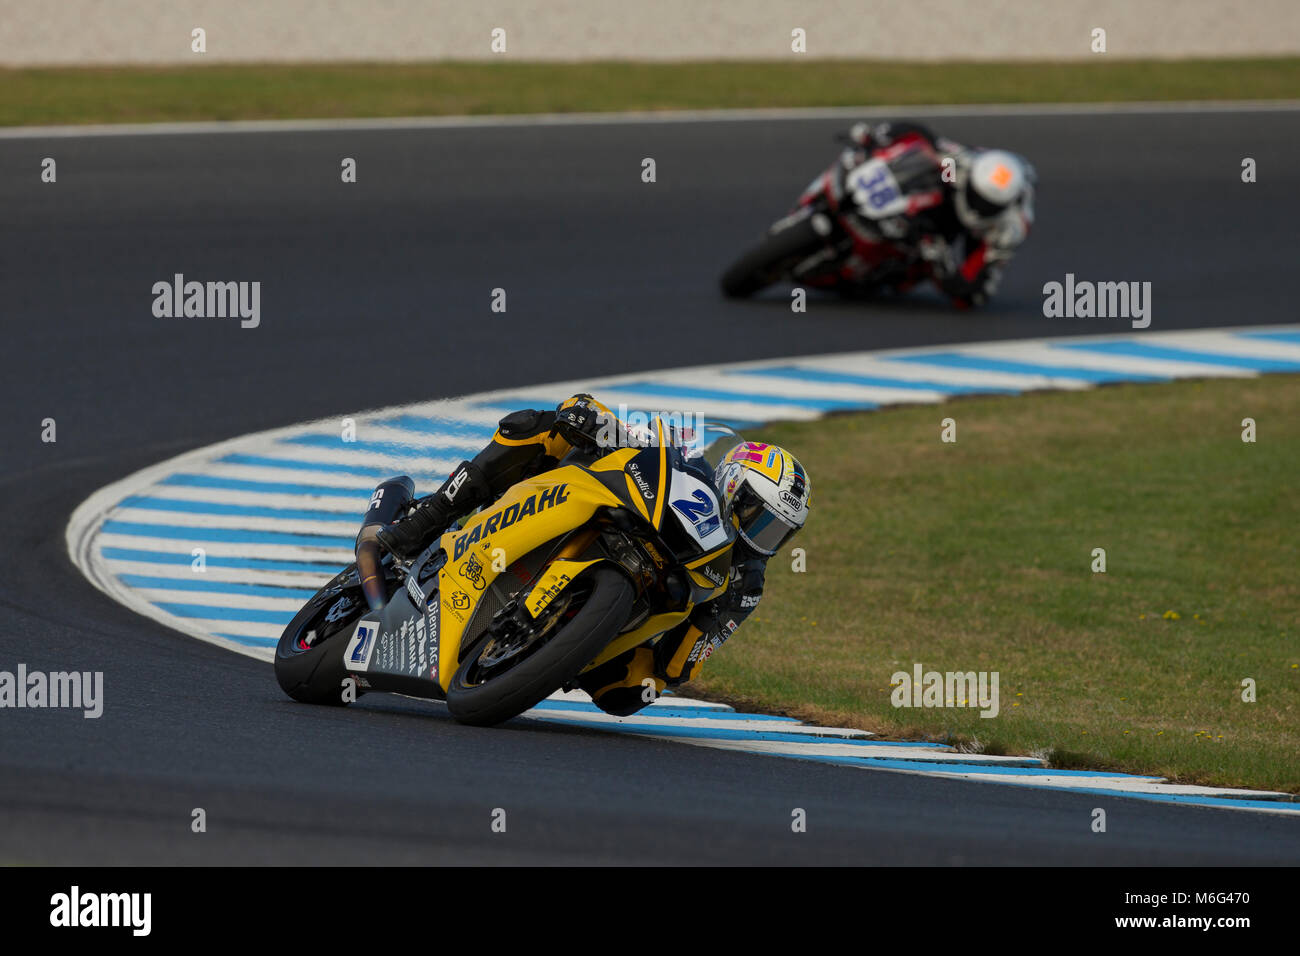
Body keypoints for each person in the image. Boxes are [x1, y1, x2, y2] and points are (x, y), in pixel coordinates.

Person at [376, 394, 812, 715]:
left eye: (777, 531)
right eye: (759, 518)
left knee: (632, 692)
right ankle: (429, 517)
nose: (762, 537)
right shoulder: (689, 457)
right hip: (599, 501)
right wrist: (593, 420)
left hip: (632, 611)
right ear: (733, 485)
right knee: (538, 427)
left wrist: (672, 665)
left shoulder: (746, 582)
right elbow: (623, 426)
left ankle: (559, 652)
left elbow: (685, 659)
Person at [844, 119, 1035, 308]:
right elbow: (926, 137)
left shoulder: (1009, 229)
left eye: (987, 204)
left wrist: (941, 262)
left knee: (971, 296)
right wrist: (881, 136)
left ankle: (903, 273)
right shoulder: (960, 164)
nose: (979, 206)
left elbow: (975, 282)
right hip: (953, 196)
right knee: (932, 177)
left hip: (981, 231)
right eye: (977, 196)